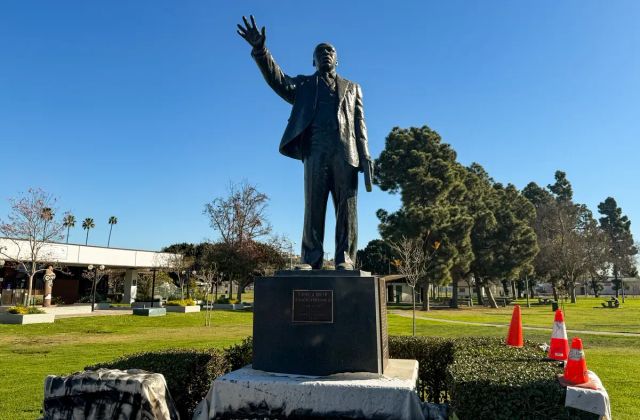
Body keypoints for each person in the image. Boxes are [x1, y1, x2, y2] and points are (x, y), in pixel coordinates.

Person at [237, 16, 373, 270]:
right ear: (313, 60)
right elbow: (278, 80)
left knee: (347, 210)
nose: (325, 54)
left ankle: (345, 257)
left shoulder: (354, 87)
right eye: (320, 52)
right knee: (313, 205)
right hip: (315, 151)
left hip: (347, 154)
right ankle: (311, 258)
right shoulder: (304, 85)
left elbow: (360, 124)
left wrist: (365, 156)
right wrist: (260, 50)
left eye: (330, 51)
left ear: (337, 58)